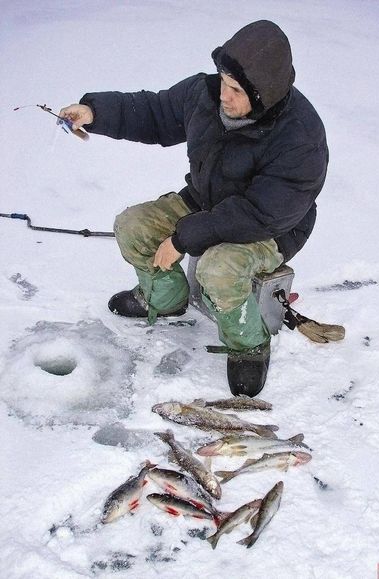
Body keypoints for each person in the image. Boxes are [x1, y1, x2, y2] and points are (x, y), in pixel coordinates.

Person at [60, 20, 328, 398]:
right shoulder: (204, 94)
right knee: (133, 225)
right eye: (223, 80)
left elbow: (259, 213)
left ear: (264, 93)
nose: (224, 95)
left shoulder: (300, 137)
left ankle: (249, 343)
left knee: (218, 269)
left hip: (273, 227)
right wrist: (94, 111)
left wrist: (184, 237)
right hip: (206, 200)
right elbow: (153, 112)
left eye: (236, 89)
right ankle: (166, 300)